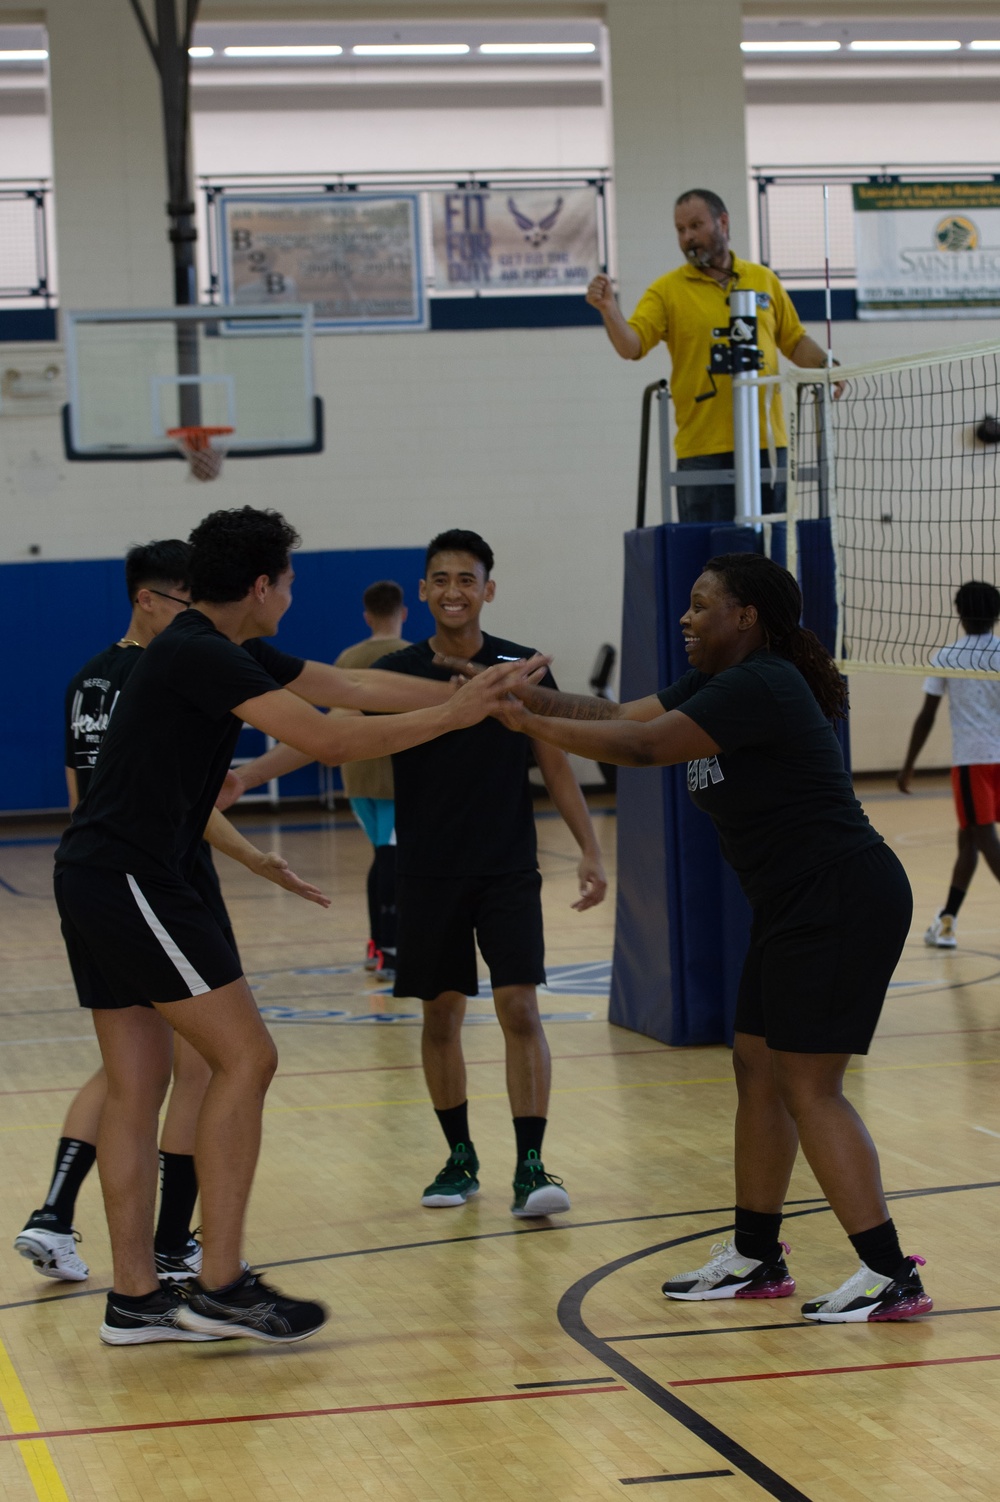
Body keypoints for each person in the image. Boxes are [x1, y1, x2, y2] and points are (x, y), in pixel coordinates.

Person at [52, 506, 532, 1346]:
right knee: (246, 1055)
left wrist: (475, 690)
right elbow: (329, 736)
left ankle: (135, 1298)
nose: (293, 593)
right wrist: (457, 717)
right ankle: (221, 1283)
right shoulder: (201, 652)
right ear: (264, 585)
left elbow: (347, 685)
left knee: (139, 1086)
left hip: (106, 875)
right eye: (290, 581)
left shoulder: (220, 642)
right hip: (131, 877)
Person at [491, 552, 931, 1323]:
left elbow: (641, 750)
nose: (687, 619)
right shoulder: (720, 685)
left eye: (701, 606)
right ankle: (756, 1257)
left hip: (839, 897)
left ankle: (890, 1272)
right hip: (794, 904)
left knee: (809, 1085)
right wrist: (530, 694)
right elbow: (626, 717)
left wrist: (526, 722)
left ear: (745, 617)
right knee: (757, 1066)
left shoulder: (762, 683)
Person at [15, 541, 330, 1287]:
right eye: (186, 601)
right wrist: (250, 856)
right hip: (159, 878)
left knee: (133, 1072)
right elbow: (181, 792)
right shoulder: (178, 665)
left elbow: (92, 798)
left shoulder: (85, 679)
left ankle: (72, 1227)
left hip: (98, 871)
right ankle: (189, 1256)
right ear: (150, 599)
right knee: (217, 1062)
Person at [374, 529, 606, 1219]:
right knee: (441, 1015)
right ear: (422, 589)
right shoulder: (398, 671)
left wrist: (592, 851)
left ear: (488, 589)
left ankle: (531, 1166)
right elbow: (343, 738)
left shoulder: (521, 668)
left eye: (466, 579)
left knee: (519, 1008)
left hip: (507, 866)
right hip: (426, 871)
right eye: (440, 578)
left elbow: (559, 766)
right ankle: (459, 1157)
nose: (453, 591)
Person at [586, 188, 840, 523]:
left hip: (767, 445)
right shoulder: (667, 290)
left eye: (695, 225)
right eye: (680, 230)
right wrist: (609, 311)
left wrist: (827, 366)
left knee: (769, 563)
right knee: (711, 565)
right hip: (702, 450)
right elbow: (631, 346)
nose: (688, 237)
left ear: (722, 222)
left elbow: (793, 341)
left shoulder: (763, 280)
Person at [898, 580, 1000, 949]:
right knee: (968, 842)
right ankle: (947, 921)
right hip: (995, 759)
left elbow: (927, 716)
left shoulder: (948, 655)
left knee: (985, 839)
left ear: (959, 612)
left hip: (974, 760)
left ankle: (947, 922)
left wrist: (908, 765)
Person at [337, 580, 408, 979]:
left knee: (383, 857)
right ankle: (390, 950)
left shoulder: (347, 658)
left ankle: (376, 944)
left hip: (358, 774)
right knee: (392, 863)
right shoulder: (411, 656)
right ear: (404, 613)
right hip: (398, 777)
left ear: (367, 616)